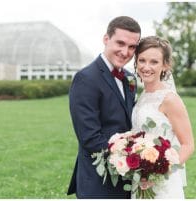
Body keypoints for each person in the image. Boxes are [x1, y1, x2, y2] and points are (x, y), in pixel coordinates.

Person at [67, 16, 141, 198]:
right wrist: (134, 162)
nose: (125, 52)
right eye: (120, 43)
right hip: (99, 182)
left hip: (128, 181)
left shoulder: (130, 77)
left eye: (132, 47)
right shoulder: (86, 78)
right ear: (106, 39)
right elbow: (90, 138)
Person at [132, 36, 195, 198]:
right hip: (139, 180)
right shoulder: (143, 95)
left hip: (163, 184)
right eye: (142, 60)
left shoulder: (170, 99)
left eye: (154, 62)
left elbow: (188, 145)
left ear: (165, 65)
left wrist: (159, 174)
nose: (146, 67)